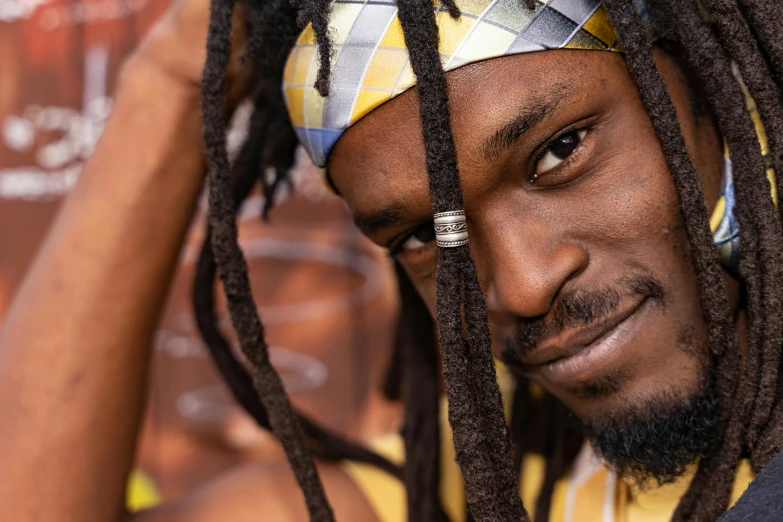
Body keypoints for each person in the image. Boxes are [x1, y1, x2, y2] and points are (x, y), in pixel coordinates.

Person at [2, 0, 783, 522]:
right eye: (418, 236)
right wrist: (178, 73)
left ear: (716, 90)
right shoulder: (495, 480)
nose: (519, 283)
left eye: (559, 151)